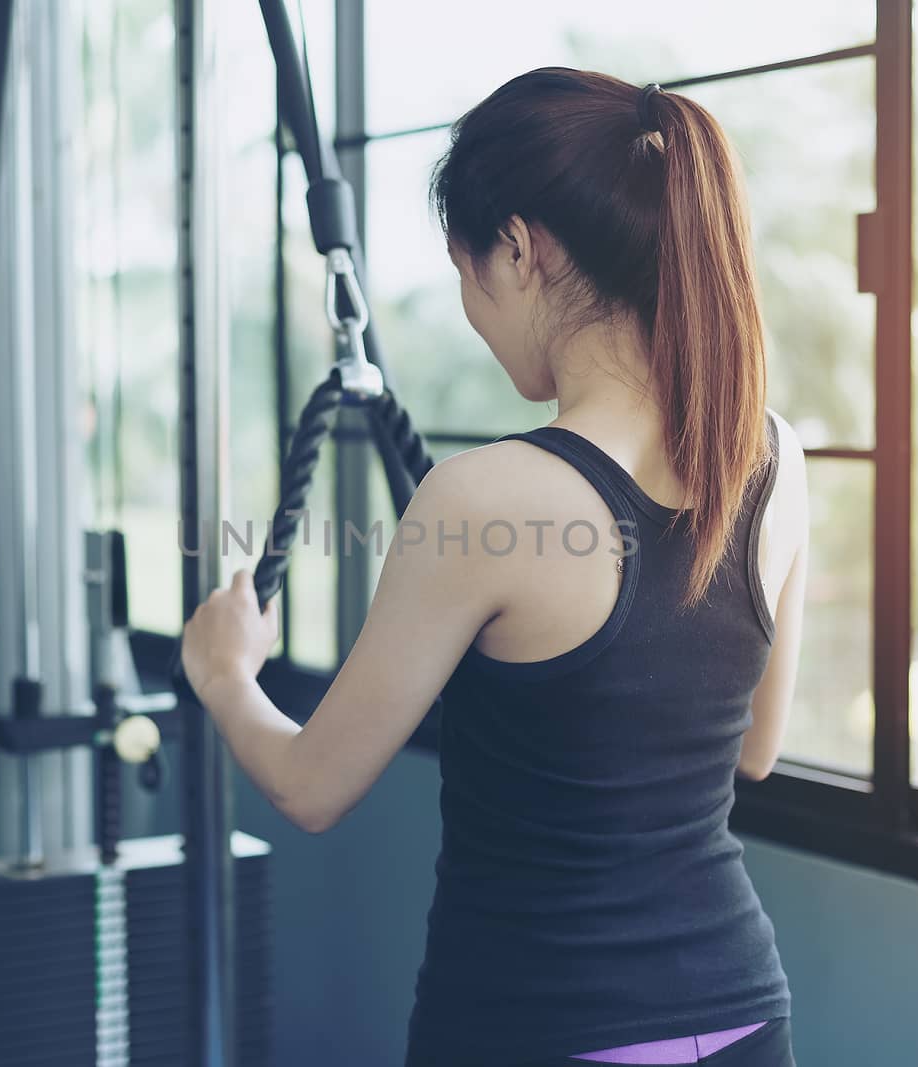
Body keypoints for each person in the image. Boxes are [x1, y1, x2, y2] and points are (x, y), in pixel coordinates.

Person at [179, 67, 808, 1067]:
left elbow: (310, 786)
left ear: (520, 249)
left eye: (468, 274)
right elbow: (755, 750)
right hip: (738, 1010)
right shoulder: (768, 455)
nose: (474, 309)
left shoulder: (483, 498)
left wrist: (223, 673)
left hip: (538, 1021)